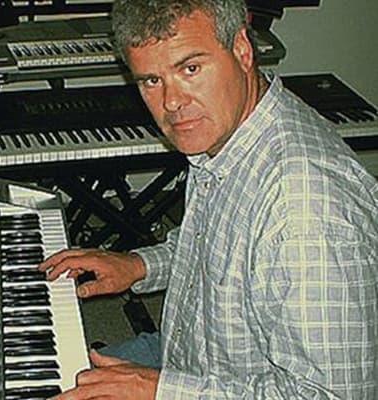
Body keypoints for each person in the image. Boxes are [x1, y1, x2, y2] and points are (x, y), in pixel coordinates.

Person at [38, 0, 378, 398]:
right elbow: (221, 247)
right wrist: (139, 265)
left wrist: (159, 390)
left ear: (242, 50)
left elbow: (334, 395)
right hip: (187, 356)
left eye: (190, 69)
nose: (171, 102)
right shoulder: (232, 133)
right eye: (151, 80)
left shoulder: (306, 210)